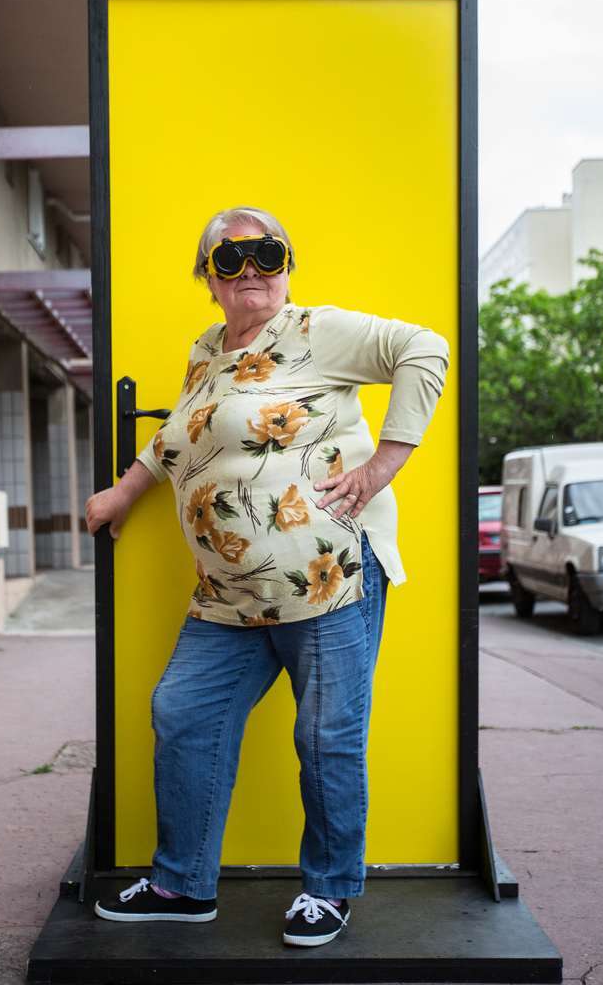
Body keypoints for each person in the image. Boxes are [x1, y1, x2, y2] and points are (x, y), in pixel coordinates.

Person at [86, 206, 449, 947]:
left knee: (325, 737)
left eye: (267, 254)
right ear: (208, 278)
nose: (250, 269)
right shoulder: (206, 350)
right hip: (229, 596)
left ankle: (329, 890)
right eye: (229, 258)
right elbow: (176, 438)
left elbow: (425, 348)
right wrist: (125, 491)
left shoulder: (317, 331)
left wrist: (383, 465)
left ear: (287, 265)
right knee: (184, 713)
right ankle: (181, 885)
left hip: (327, 582)